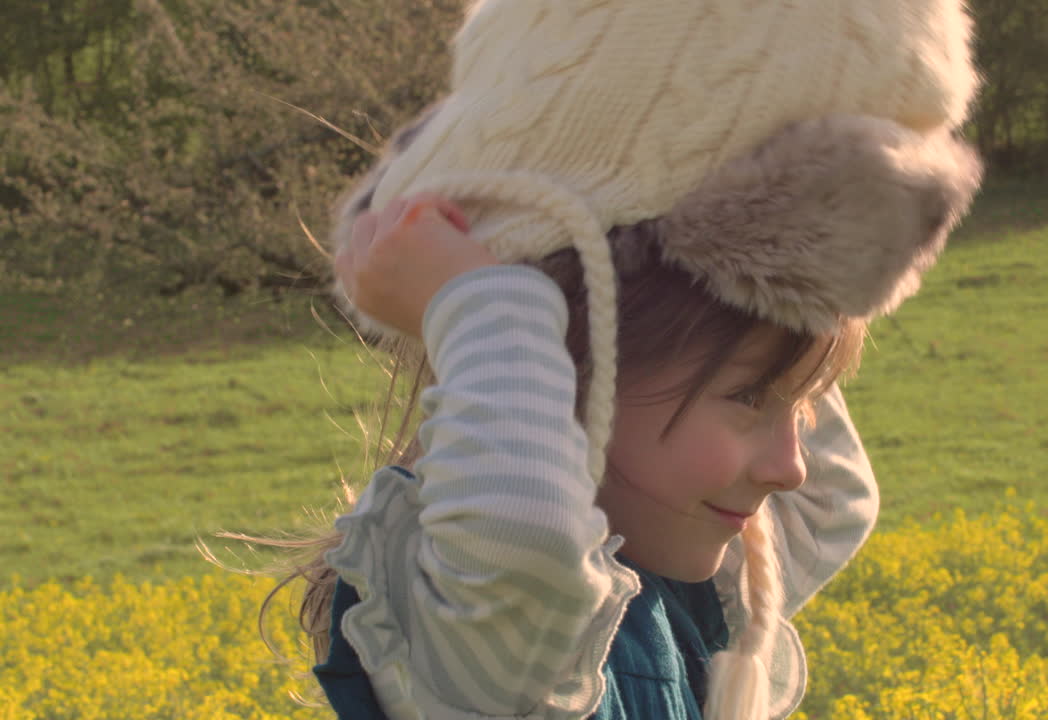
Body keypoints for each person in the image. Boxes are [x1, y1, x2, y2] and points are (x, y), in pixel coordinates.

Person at [261, 2, 984, 719]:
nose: (792, 467)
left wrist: (783, 239)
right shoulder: (482, 634)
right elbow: (525, 539)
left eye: (800, 407)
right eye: (750, 398)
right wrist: (482, 300)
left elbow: (834, 503)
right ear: (562, 359)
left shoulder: (682, 581)